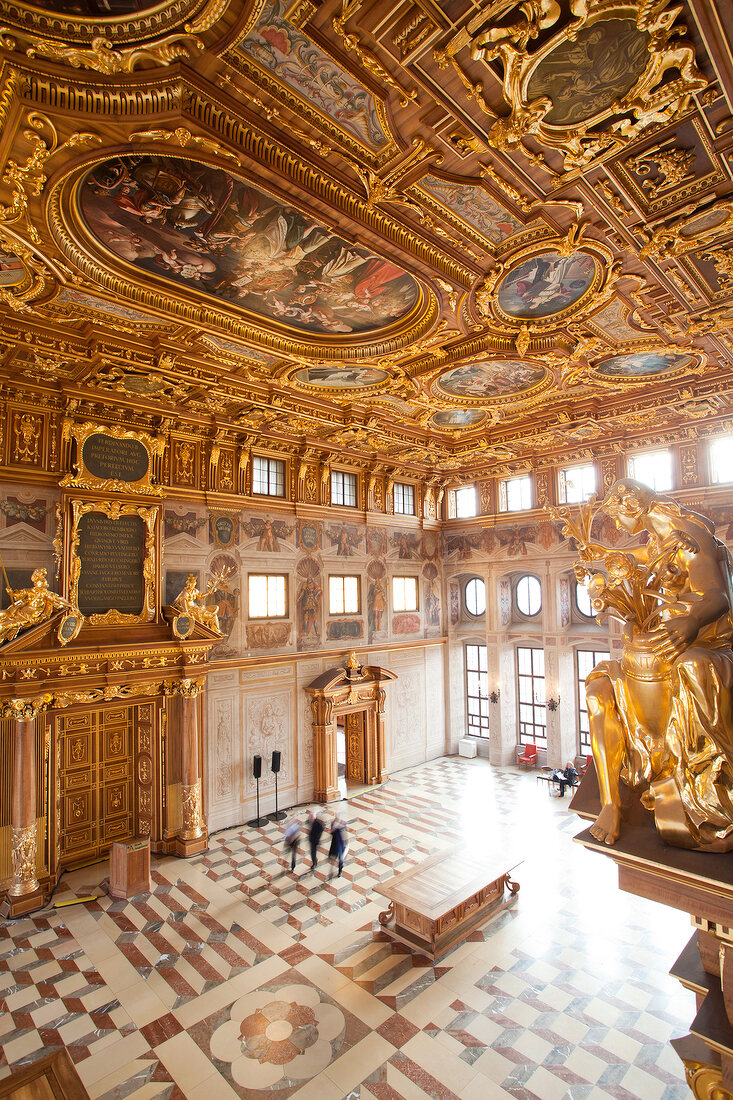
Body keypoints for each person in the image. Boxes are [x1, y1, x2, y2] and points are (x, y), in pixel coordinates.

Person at [583, 480, 733, 850]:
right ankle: (609, 803)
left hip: (708, 644)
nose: (617, 527)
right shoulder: (654, 542)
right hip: (661, 649)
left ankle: (700, 782)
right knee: (598, 689)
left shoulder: (688, 536)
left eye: (617, 517)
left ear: (632, 505)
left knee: (692, 668)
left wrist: (692, 621)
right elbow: (657, 599)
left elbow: (718, 596)